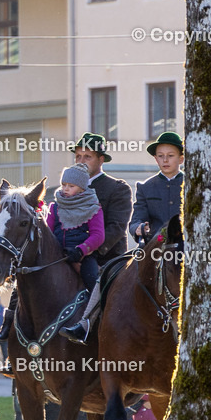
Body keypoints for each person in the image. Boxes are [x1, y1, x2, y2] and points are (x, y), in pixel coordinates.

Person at [58, 133, 133, 343]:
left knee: (107, 290)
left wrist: (86, 251)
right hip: (67, 255)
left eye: (87, 156)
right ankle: (12, 327)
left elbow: (116, 228)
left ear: (101, 160)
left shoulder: (118, 188)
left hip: (105, 257)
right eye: (78, 156)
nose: (81, 161)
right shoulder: (65, 189)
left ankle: (110, 328)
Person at [46, 163, 105, 300]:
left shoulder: (93, 207)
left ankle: (97, 309)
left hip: (83, 256)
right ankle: (14, 309)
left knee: (92, 281)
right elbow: (48, 233)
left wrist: (80, 250)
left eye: (71, 186)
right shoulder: (54, 207)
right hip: (57, 256)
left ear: (81, 188)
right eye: (64, 185)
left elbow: (98, 235)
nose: (66, 189)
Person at [128, 131, 184, 245]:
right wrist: (138, 228)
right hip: (155, 244)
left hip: (187, 244)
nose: (165, 160)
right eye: (160, 156)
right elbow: (137, 219)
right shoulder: (145, 187)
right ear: (156, 159)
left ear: (181, 159)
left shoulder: (192, 185)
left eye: (170, 155)